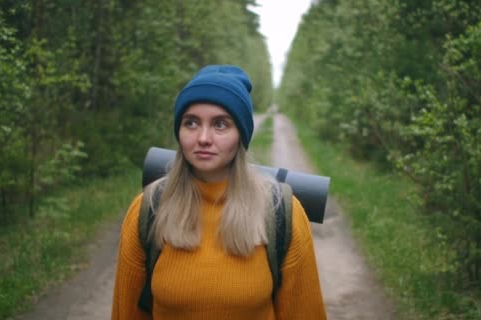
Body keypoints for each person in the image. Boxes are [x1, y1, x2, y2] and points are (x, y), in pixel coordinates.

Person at [111, 65, 327, 319]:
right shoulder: (148, 209)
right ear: (179, 131)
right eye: (191, 122)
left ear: (241, 136)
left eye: (220, 125)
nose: (203, 137)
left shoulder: (281, 212)